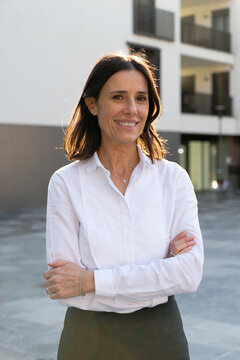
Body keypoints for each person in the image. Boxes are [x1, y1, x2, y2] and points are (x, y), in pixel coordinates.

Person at [43, 52, 204, 360]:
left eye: (141, 98)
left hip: (161, 336)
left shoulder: (173, 180)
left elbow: (189, 273)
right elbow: (65, 287)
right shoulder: (66, 183)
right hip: (88, 338)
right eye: (118, 97)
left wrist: (89, 280)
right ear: (93, 105)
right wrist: (159, 268)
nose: (132, 110)